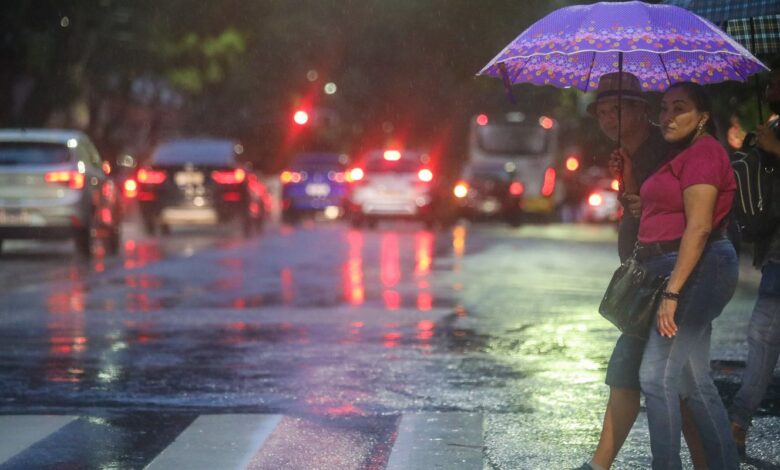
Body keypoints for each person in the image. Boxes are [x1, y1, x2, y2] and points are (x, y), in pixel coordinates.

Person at [574, 72, 706, 470]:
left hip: (668, 273)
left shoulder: (666, 148)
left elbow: (669, 212)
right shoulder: (634, 151)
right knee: (649, 377)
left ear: (640, 110)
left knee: (660, 379)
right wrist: (628, 177)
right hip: (647, 271)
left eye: (618, 109)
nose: (609, 118)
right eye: (602, 111)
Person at [634, 81, 739, 469]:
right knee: (694, 382)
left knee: (656, 377)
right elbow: (674, 212)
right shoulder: (684, 153)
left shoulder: (705, 153)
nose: (667, 116)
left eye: (679, 107)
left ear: (703, 116)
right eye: (662, 108)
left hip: (698, 268)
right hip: (684, 267)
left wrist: (672, 293)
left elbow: (698, 229)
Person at [729, 59, 780, 459]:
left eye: (777, 80)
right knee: (761, 339)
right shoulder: (774, 127)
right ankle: (737, 425)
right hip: (777, 257)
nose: (769, 86)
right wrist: (748, 143)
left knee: (762, 337)